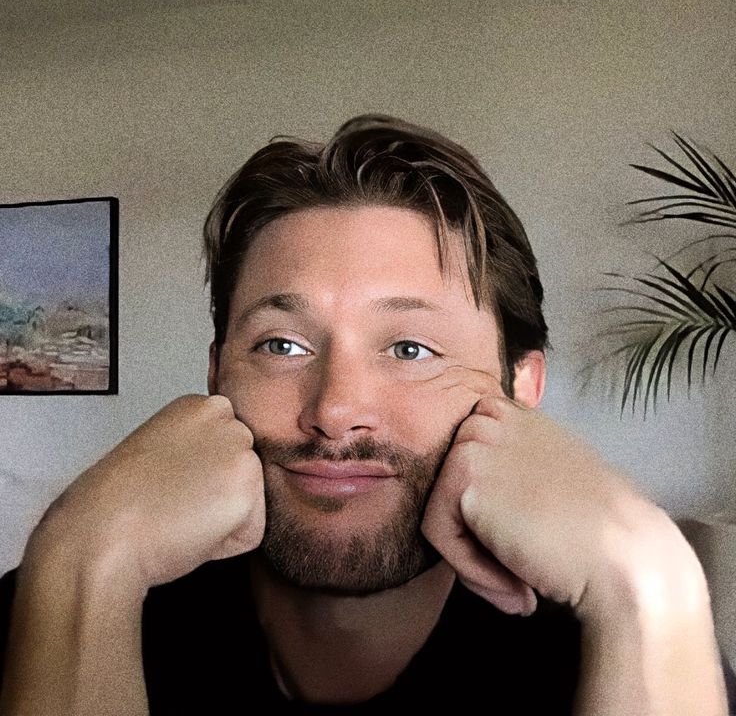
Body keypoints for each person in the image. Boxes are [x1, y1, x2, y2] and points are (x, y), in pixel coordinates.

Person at [0, 114, 733, 715]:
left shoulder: (623, 642)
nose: (335, 410)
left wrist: (647, 583)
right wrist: (85, 561)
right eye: (282, 344)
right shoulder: (63, 603)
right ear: (218, 374)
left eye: (410, 348)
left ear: (519, 387)